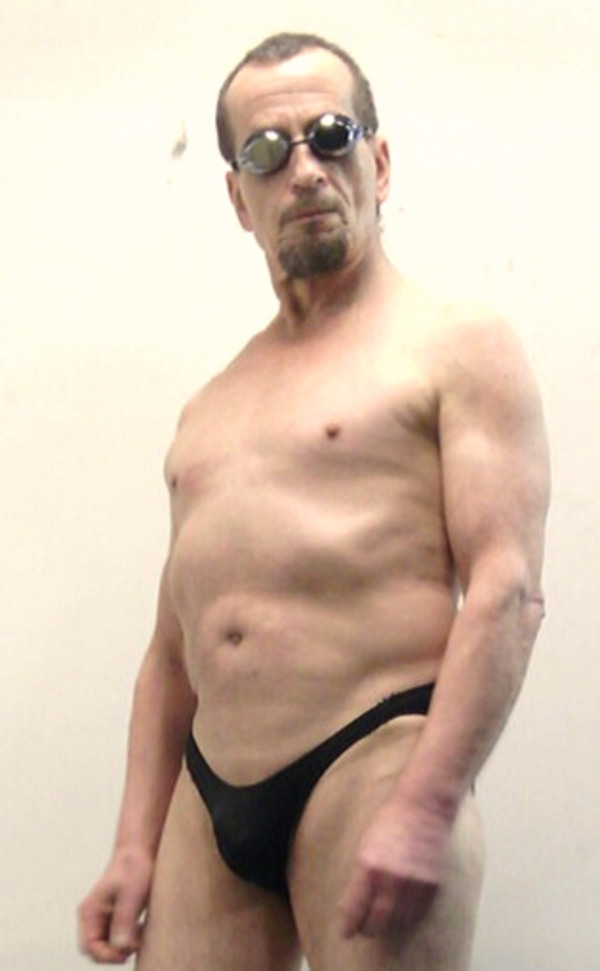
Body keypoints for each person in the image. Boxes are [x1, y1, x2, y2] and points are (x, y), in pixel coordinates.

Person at [77, 31, 550, 971]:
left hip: (374, 760)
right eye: (266, 151)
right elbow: (171, 656)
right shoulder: (209, 407)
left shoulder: (457, 344)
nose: (304, 170)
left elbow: (506, 589)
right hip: (209, 794)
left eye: (332, 136)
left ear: (379, 161)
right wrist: (132, 844)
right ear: (238, 199)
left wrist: (431, 799)